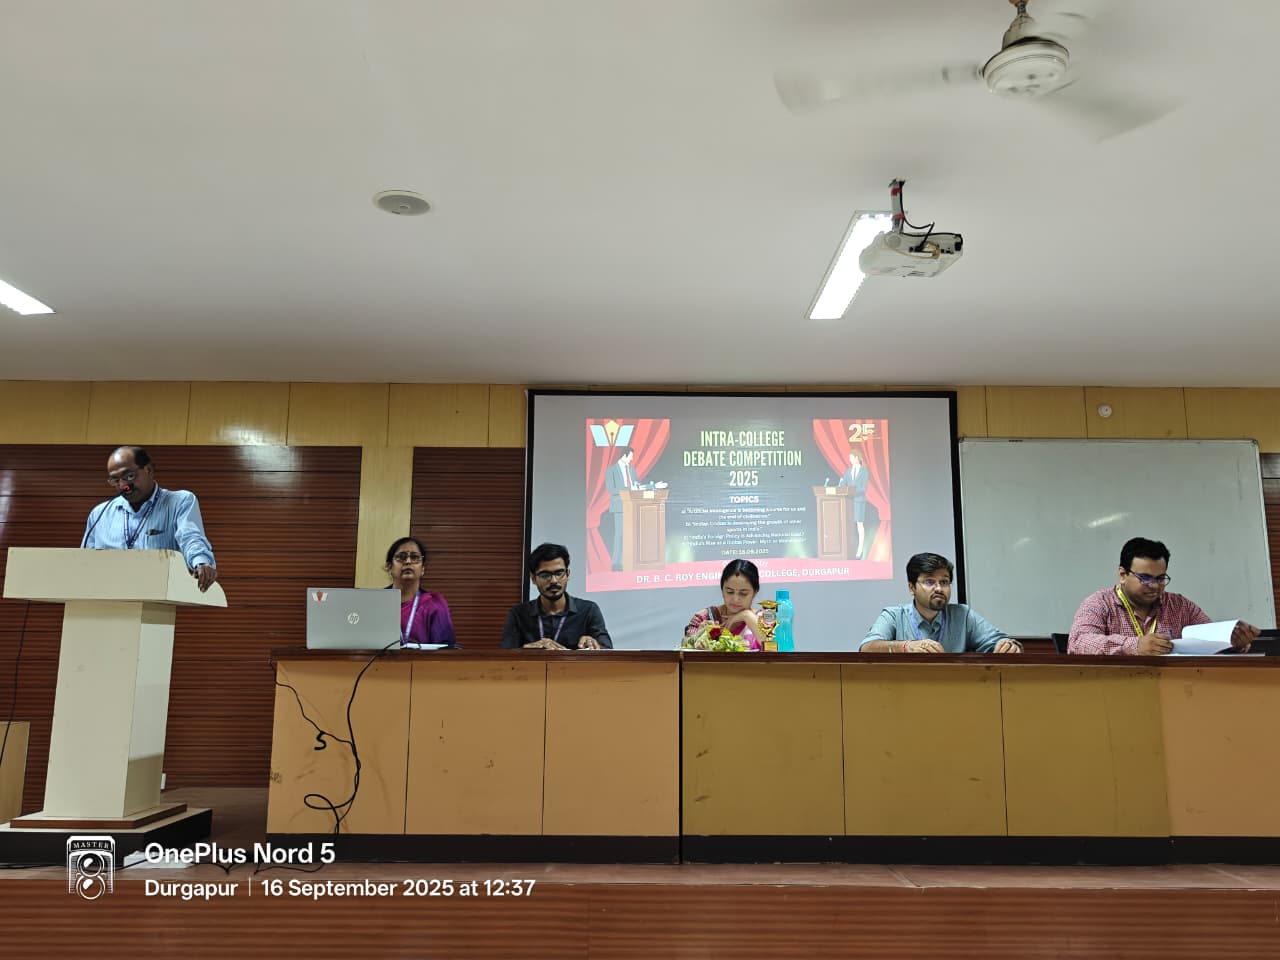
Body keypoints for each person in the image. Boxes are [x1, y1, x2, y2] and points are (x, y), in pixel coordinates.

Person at [1067, 537, 1260, 655]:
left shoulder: (1180, 606)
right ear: (1123, 574)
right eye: (1145, 578)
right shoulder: (1099, 603)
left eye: (1160, 578)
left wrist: (1233, 643)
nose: (1154, 586)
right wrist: (1135, 646)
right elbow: (1078, 644)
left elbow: (1210, 640)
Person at [82, 445, 218, 592]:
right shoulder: (99, 514)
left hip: (159, 595)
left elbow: (190, 537)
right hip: (108, 596)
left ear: (149, 470)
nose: (123, 485)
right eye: (115, 480)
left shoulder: (179, 502)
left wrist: (201, 562)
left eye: (129, 476)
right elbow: (84, 562)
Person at [860, 552, 1022, 654]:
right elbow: (867, 648)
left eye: (944, 582)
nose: (939, 588)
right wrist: (906, 647)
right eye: (929, 582)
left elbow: (998, 641)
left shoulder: (962, 615)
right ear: (912, 587)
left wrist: (1007, 645)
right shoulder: (894, 616)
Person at [501, 543, 612, 650]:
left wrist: (594, 644)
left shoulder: (588, 610)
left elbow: (607, 650)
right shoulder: (518, 614)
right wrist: (527, 648)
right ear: (533, 579)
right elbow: (506, 656)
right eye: (545, 575)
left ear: (568, 574)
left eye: (559, 573)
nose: (554, 581)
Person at [384, 536, 455, 647]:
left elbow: (445, 651)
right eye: (401, 557)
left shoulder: (434, 604)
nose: (408, 561)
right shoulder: (375, 602)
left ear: (422, 569)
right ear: (389, 567)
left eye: (415, 557)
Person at [604, 446, 667, 571]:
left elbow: (637, 487)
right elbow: (612, 490)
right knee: (620, 535)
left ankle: (633, 561)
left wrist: (653, 486)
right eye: (630, 457)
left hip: (634, 506)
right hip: (620, 506)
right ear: (624, 456)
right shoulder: (611, 471)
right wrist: (630, 489)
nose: (631, 459)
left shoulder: (632, 470)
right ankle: (616, 563)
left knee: (635, 534)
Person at [683, 559, 767, 651]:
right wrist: (700, 636)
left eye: (743, 593)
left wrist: (747, 616)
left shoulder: (764, 619)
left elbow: (772, 648)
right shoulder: (705, 617)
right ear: (722, 590)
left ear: (755, 593)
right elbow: (685, 647)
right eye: (730, 592)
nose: (735, 599)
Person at [837, 450, 870, 559]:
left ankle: (860, 549)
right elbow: (843, 484)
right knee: (848, 525)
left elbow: (863, 488)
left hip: (859, 501)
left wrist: (851, 491)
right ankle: (848, 549)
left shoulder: (864, 472)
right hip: (848, 502)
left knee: (859, 525)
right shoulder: (848, 471)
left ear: (857, 458)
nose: (850, 460)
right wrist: (841, 486)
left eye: (851, 458)